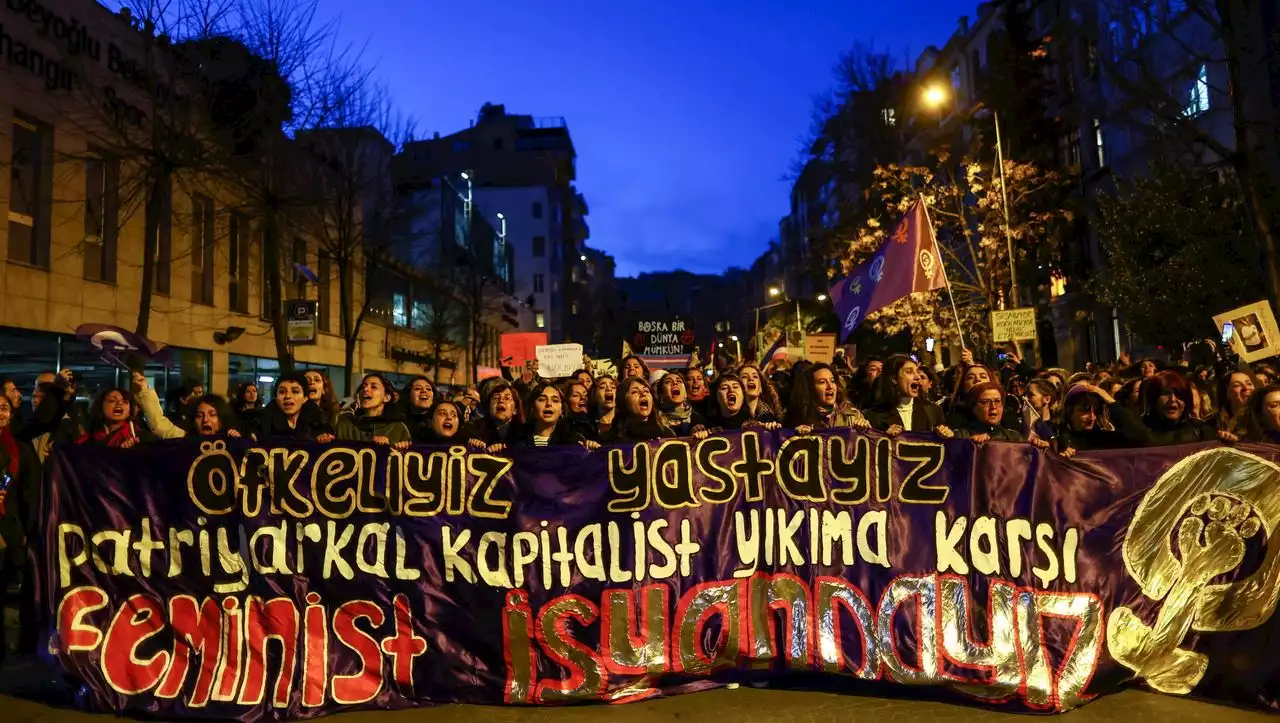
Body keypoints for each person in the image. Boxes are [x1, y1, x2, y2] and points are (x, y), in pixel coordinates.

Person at [0, 393, 40, 662]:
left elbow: (30, 494)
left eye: (3, 408)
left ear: (11, 413)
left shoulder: (21, 450)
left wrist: (28, 529)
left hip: (6, 530)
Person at [1111, 370, 1221, 446]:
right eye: (1165, 393)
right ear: (1153, 398)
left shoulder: (1201, 430)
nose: (1173, 399)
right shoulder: (1141, 429)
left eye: (1179, 395)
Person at [864, 354, 952, 438]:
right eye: (909, 372)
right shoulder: (874, 416)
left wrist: (947, 434)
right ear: (894, 378)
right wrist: (884, 435)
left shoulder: (934, 411)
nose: (917, 377)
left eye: (917, 372)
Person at [785, 363, 871, 434]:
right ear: (811, 388)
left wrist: (866, 430)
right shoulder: (800, 415)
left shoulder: (853, 415)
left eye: (832, 381)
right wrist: (796, 435)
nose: (830, 386)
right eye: (822, 382)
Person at [952, 382, 1045, 446]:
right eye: (986, 402)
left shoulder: (1014, 437)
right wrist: (969, 444)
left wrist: (1038, 448)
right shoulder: (960, 436)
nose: (993, 406)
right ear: (973, 407)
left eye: (997, 401)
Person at [511, 383, 598, 449]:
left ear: (562, 410)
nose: (549, 404)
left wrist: (591, 449)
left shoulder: (574, 440)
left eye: (555, 400)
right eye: (542, 400)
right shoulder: (516, 438)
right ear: (532, 407)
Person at [335, 374, 412, 447]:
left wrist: (389, 446)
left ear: (386, 397)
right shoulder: (346, 424)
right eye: (363, 387)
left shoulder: (398, 428)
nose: (365, 389)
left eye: (374, 387)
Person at [258, 374, 335, 441]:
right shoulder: (263, 427)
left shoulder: (318, 426)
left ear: (305, 398)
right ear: (276, 398)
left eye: (295, 391)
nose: (287, 396)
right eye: (282, 392)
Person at [1056, 384, 1128, 456]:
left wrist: (1112, 402)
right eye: (1085, 410)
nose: (1092, 417)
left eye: (1096, 410)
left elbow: (1136, 437)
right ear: (1069, 411)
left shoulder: (1102, 438)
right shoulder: (1056, 436)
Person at [77, 388, 156, 448]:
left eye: (125, 401)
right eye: (112, 401)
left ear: (130, 409)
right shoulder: (88, 437)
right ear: (100, 406)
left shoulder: (143, 438)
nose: (119, 403)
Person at [607, 378, 676, 441]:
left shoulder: (667, 435)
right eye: (635, 392)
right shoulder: (612, 438)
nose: (643, 394)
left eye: (646, 391)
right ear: (623, 401)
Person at [707, 373, 780, 431]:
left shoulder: (757, 427)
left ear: (743, 396)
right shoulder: (708, 429)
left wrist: (773, 429)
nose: (731, 390)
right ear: (715, 396)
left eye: (735, 387)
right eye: (724, 388)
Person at [467, 382, 523, 453]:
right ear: (489, 407)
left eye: (507, 398)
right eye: (495, 398)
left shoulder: (525, 433)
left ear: (515, 409)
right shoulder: (473, 429)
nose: (501, 400)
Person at [656, 372, 709, 438]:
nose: (675, 383)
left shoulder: (700, 420)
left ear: (686, 394)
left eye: (679, 381)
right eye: (668, 382)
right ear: (661, 395)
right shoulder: (655, 421)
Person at [402, 376, 436, 443]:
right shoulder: (399, 423)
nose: (424, 391)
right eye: (417, 388)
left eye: (428, 389)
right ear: (408, 395)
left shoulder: (438, 422)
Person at [589, 376, 619, 440]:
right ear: (594, 395)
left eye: (613, 387)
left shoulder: (626, 424)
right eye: (602, 387)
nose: (609, 389)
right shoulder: (588, 427)